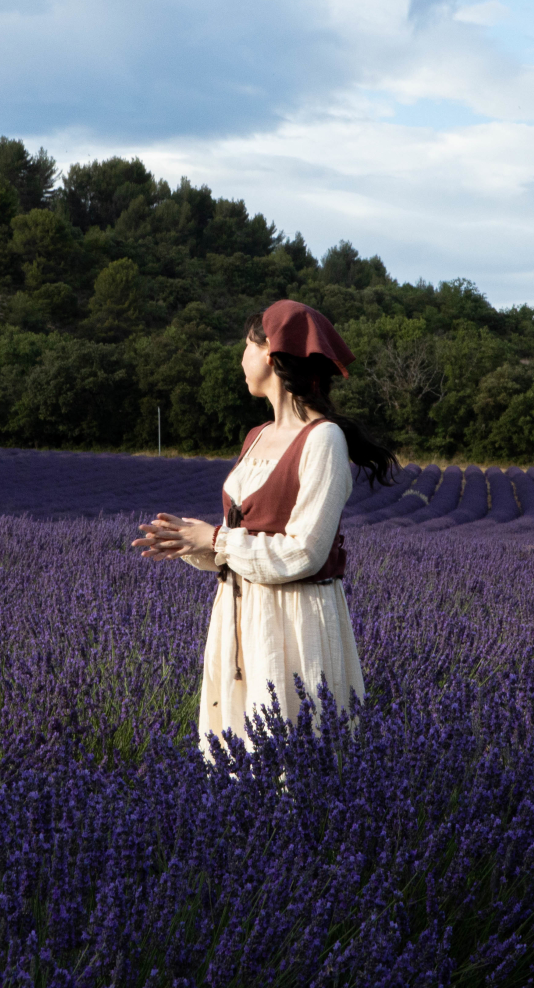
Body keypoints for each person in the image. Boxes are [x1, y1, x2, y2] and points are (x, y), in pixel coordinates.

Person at [133, 300, 397, 756]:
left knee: (291, 756)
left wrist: (215, 539)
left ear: (273, 355)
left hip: (293, 622)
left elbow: (304, 552)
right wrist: (191, 543)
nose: (240, 359)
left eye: (247, 347)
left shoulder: (324, 439)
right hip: (238, 616)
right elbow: (245, 538)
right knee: (236, 753)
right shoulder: (255, 436)